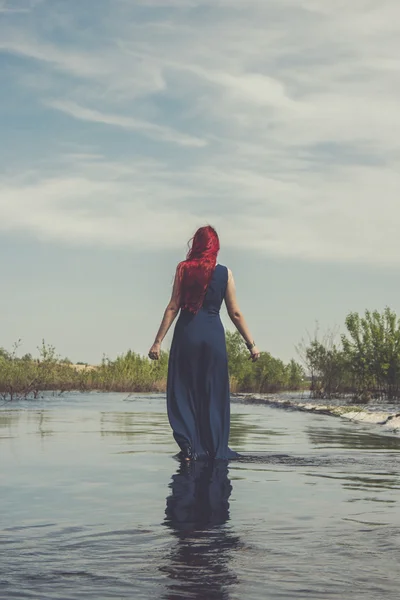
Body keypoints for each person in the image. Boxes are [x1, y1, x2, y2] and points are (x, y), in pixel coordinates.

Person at [148, 226, 260, 461]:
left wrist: (157, 342)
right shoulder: (225, 273)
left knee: (183, 390)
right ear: (215, 247)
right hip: (213, 339)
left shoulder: (183, 270)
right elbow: (235, 313)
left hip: (187, 334)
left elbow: (173, 306)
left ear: (195, 245)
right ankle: (212, 447)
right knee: (212, 392)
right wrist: (251, 344)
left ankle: (189, 446)